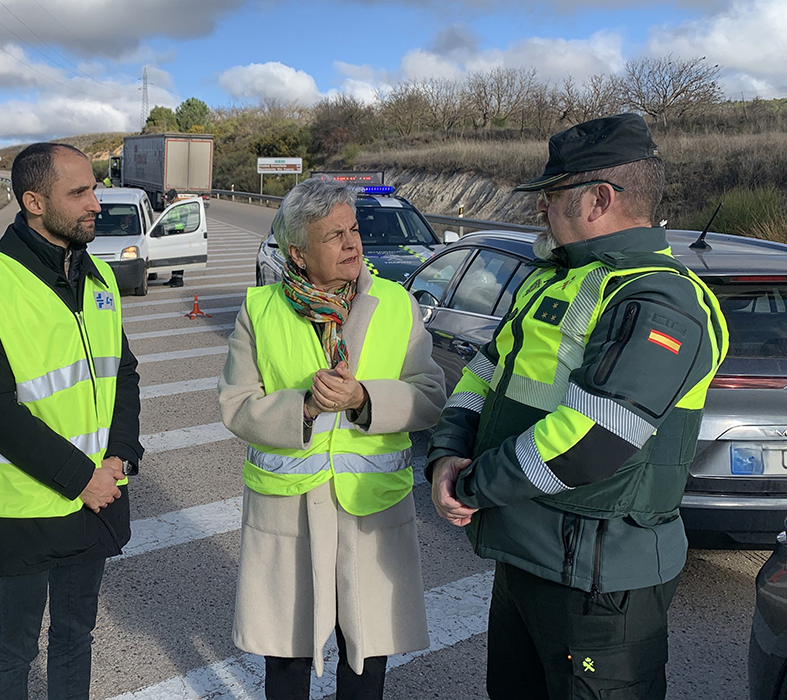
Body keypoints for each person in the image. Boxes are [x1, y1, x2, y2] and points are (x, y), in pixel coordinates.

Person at [427, 113, 729, 700]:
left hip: (599, 581)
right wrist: (446, 453)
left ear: (598, 199)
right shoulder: (555, 280)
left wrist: (470, 487)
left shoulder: (659, 301)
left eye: (552, 195)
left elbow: (595, 440)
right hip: (527, 559)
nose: (542, 209)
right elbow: (484, 376)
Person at [218, 178, 446, 700]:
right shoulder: (259, 310)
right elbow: (235, 406)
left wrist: (364, 398)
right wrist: (305, 407)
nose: (353, 244)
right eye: (334, 236)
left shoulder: (395, 302)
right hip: (290, 514)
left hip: (371, 512)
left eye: (353, 230)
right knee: (289, 660)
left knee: (364, 658)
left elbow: (431, 395)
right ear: (297, 254)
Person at [0, 142, 143, 700]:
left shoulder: (97, 275)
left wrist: (119, 456)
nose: (96, 203)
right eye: (79, 192)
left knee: (77, 637)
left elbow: (121, 373)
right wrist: (82, 477)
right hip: (26, 508)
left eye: (94, 189)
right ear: (33, 201)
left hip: (97, 493)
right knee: (15, 647)